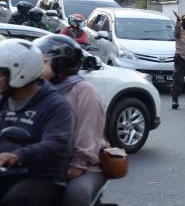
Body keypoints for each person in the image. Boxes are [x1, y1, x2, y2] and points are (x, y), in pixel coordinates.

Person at [33, 34, 108, 206]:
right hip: (46, 160)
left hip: (87, 164)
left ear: (62, 64)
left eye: (43, 62)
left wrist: (78, 164)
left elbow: (88, 133)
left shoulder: (83, 90)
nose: (36, 67)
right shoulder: (36, 89)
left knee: (75, 194)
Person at [0, 38, 74, 206]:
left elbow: (56, 143)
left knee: (18, 201)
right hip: (6, 172)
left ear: (20, 72)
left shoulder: (55, 105)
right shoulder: (3, 100)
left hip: (41, 176)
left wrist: (18, 154)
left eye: (1, 73)